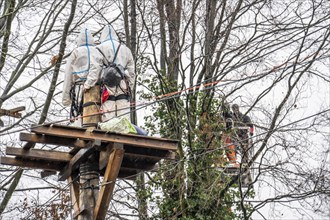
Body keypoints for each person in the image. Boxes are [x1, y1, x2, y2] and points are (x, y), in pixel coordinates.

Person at [62, 28, 103, 126]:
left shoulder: (76, 52)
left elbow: (68, 75)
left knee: (78, 114)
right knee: (95, 114)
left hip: (79, 87)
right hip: (97, 88)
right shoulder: (97, 51)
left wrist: (66, 98)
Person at [96, 24, 135, 122]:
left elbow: (95, 69)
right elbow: (131, 72)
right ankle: (124, 132)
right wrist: (130, 86)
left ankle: (108, 132)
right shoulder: (126, 49)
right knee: (123, 110)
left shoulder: (98, 48)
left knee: (108, 108)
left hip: (107, 83)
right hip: (123, 82)